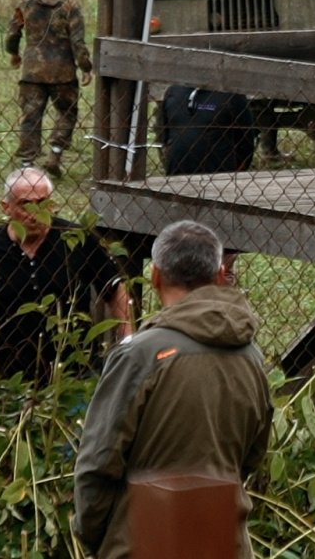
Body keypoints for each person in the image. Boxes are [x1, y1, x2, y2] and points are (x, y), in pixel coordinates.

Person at [73, 219, 272, 559]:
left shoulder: (141, 355)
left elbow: (99, 462)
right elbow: (252, 456)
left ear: (156, 277)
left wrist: (95, 536)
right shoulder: (251, 356)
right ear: (218, 275)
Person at [0, 166, 133, 415]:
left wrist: (128, 346)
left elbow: (115, 288)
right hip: (13, 381)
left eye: (42, 203)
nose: (35, 213)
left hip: (76, 378)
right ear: (7, 207)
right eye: (25, 204)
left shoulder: (76, 239)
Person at [9, 0, 92, 173]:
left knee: (31, 115)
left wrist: (14, 54)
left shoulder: (26, 0)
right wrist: (85, 66)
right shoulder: (70, 3)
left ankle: (27, 163)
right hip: (62, 71)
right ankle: (55, 154)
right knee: (67, 112)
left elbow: (13, 32)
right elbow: (77, 40)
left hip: (32, 70)